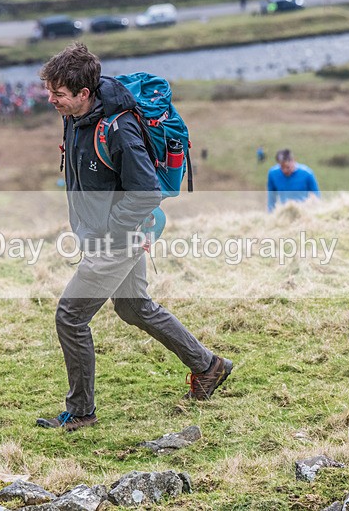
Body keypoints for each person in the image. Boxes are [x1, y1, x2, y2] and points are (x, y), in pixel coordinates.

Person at [36, 42, 232, 432]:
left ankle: (80, 413)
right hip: (110, 234)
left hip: (118, 238)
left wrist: (112, 233)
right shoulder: (77, 115)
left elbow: (145, 192)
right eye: (50, 90)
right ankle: (209, 366)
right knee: (134, 307)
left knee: (71, 317)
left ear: (84, 93)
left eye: (58, 93)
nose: (50, 99)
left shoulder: (119, 129)